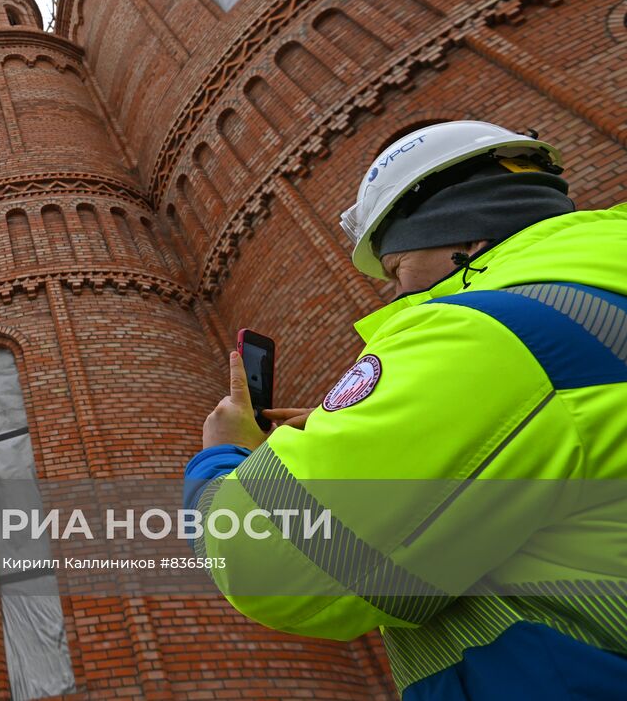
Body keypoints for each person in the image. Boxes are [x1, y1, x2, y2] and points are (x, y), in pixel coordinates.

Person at [183, 121, 627, 700]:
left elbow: (272, 562)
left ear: (461, 234)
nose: (394, 295)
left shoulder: (485, 336)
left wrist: (222, 459)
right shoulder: (587, 291)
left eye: (395, 270)